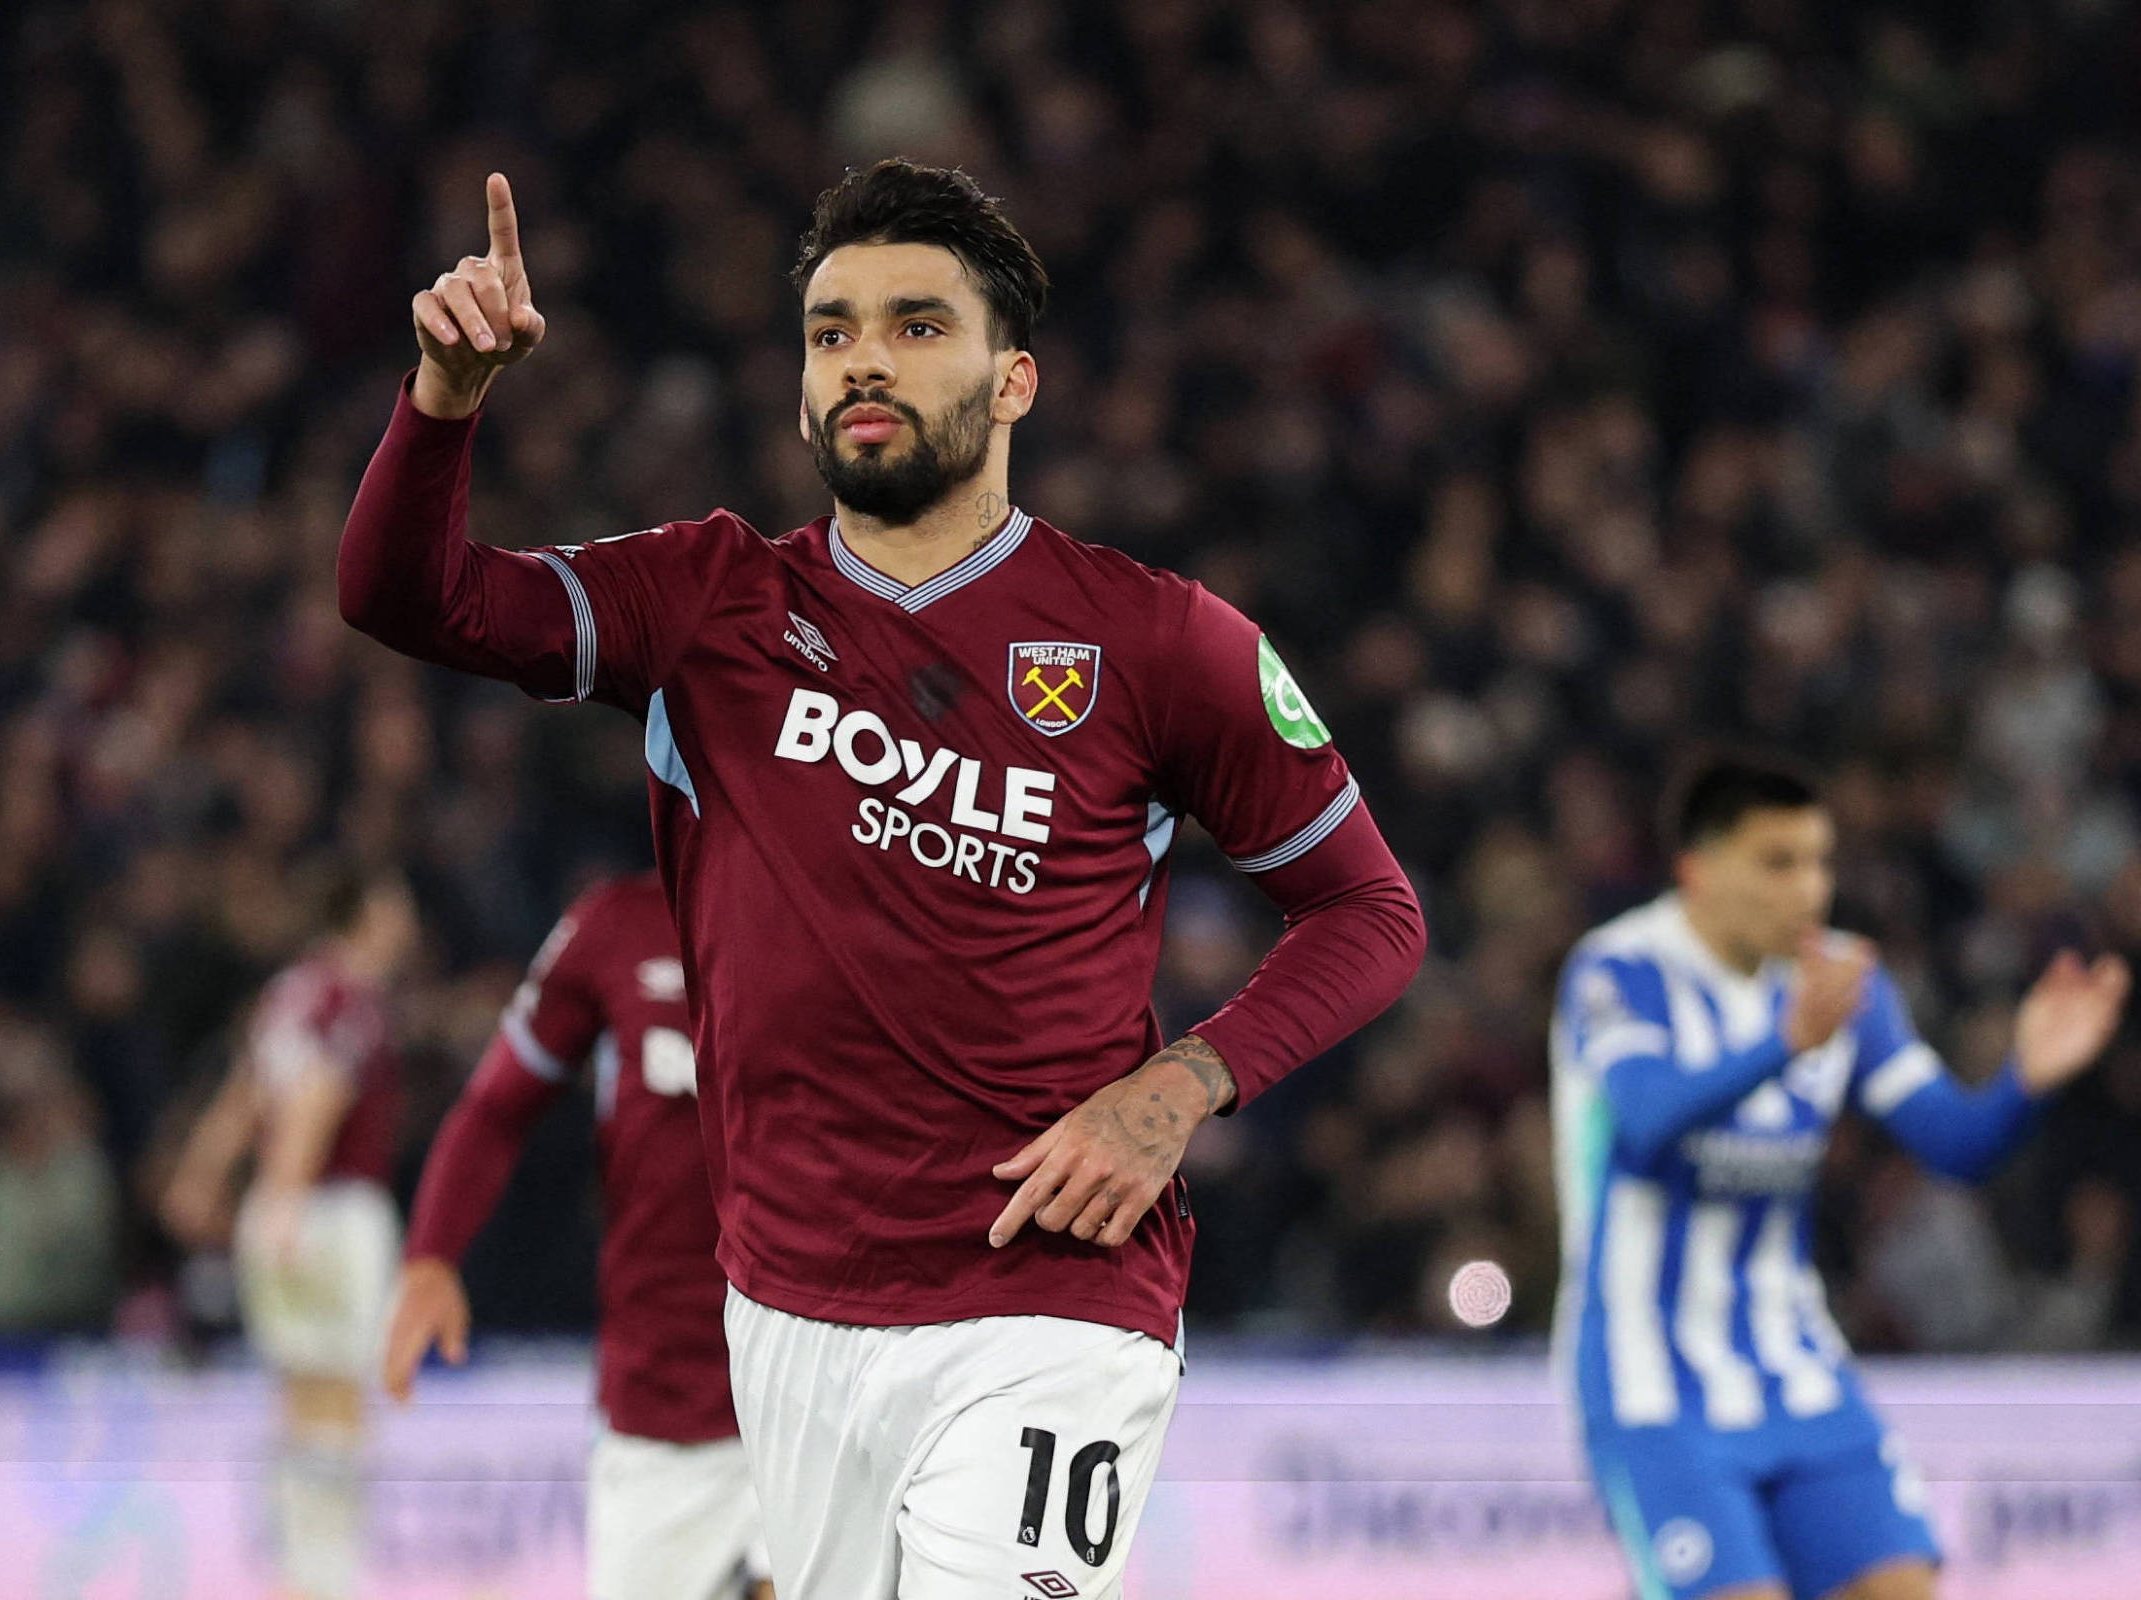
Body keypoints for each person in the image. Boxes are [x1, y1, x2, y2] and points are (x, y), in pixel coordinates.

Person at [337, 158, 1425, 1599]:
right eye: (832, 331)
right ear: (800, 393)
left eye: (918, 325)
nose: (865, 359)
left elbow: (1371, 910)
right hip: (790, 1309)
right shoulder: (708, 599)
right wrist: (444, 402)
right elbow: (402, 596)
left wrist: (1181, 1088)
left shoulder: (1160, 642)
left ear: (1015, 380)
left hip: (1053, 1295)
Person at [1550, 757, 2130, 1600]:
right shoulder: (1619, 969)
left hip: (1795, 1361)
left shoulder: (1843, 981)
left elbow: (1954, 1145)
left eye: (1819, 861)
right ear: (1698, 871)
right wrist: (1783, 1043)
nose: (1810, 888)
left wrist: (2025, 1081)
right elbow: (1644, 1121)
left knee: (1901, 1587)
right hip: (1653, 1380)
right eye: (1777, 863)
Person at [382, 873, 773, 1600]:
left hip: (819, 1383)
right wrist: (430, 1256)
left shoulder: (851, 909)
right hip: (663, 1408)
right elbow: (496, 1109)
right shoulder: (616, 926)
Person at [161, 866, 418, 1600]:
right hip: (331, 1212)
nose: (408, 923)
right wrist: (286, 1196)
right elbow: (316, 1097)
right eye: (396, 908)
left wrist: (202, 1177)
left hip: (283, 1208)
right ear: (366, 915)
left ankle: (297, 1575)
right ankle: (326, 1577)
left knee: (295, 1396)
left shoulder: (288, 993)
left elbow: (246, 1094)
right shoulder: (350, 1001)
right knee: (338, 1396)